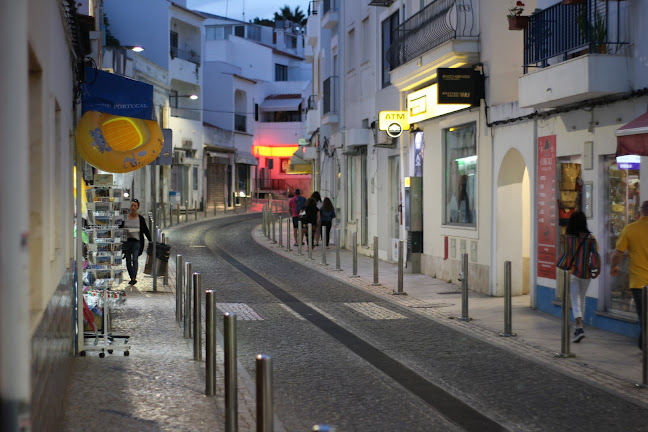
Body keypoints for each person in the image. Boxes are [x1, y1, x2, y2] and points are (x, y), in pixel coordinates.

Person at [556, 211, 600, 343]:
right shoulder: (591, 238)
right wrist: (595, 268)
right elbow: (596, 255)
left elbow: (565, 255)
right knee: (582, 298)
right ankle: (579, 327)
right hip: (586, 273)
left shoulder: (568, 238)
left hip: (574, 272)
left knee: (575, 299)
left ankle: (579, 326)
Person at [610, 200, 648, 350]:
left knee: (643, 315)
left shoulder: (630, 229)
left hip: (639, 282)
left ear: (640, 212)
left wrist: (613, 266)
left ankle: (643, 345)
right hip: (638, 281)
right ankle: (643, 345)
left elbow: (617, 254)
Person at [121, 199, 152, 285]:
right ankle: (131, 276)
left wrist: (150, 240)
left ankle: (134, 277)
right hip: (127, 242)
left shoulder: (140, 219)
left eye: (135, 206)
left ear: (138, 207)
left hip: (137, 242)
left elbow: (145, 230)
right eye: (132, 205)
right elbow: (119, 227)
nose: (133, 207)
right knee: (128, 260)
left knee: (135, 259)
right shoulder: (125, 218)